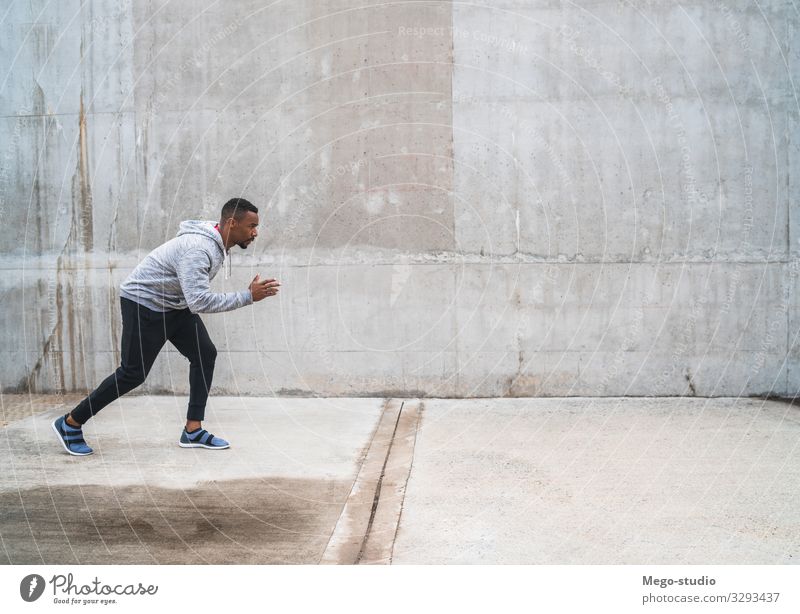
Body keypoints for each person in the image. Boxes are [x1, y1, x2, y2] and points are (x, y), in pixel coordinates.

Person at [51, 198, 280, 455]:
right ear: (231, 223)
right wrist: (248, 296)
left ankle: (193, 430)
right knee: (132, 373)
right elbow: (200, 301)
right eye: (251, 226)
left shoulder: (216, 244)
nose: (255, 232)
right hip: (144, 303)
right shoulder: (199, 249)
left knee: (205, 353)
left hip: (174, 304)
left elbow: (191, 298)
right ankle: (70, 423)